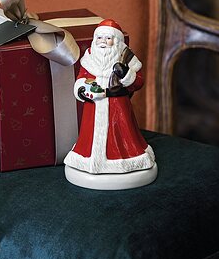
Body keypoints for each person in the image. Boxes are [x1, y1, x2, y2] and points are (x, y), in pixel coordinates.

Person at [64, 19, 157, 189]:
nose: (103, 42)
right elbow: (82, 77)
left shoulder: (126, 57)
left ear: (117, 41)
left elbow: (138, 82)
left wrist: (126, 74)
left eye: (108, 38)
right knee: (90, 135)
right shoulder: (90, 57)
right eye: (100, 38)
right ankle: (89, 159)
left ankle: (124, 160)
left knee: (121, 134)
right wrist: (82, 89)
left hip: (117, 106)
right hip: (94, 107)